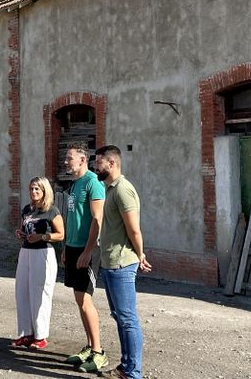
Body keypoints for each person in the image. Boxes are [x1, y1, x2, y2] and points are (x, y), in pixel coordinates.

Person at [94, 145, 152, 379]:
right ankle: (125, 367)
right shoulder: (109, 189)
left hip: (121, 263)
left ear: (111, 163)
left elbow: (134, 229)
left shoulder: (123, 190)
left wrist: (140, 254)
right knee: (120, 316)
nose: (95, 166)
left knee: (127, 319)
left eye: (98, 162)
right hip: (110, 263)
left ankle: (133, 372)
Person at [61, 141, 109, 373]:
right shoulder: (74, 184)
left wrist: (88, 251)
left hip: (87, 249)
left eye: (69, 158)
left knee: (86, 300)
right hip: (72, 248)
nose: (65, 161)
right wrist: (65, 248)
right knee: (79, 300)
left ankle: (99, 353)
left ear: (82, 160)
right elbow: (72, 218)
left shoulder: (93, 183)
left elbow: (97, 220)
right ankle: (89, 347)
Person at [12, 176, 64, 350]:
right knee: (22, 292)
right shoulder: (27, 209)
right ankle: (26, 333)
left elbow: (61, 235)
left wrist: (42, 236)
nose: (33, 192)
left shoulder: (52, 210)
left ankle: (40, 336)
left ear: (44, 191)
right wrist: (21, 233)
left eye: (37, 189)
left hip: (43, 253)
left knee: (40, 295)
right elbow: (25, 229)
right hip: (26, 252)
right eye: (31, 189)